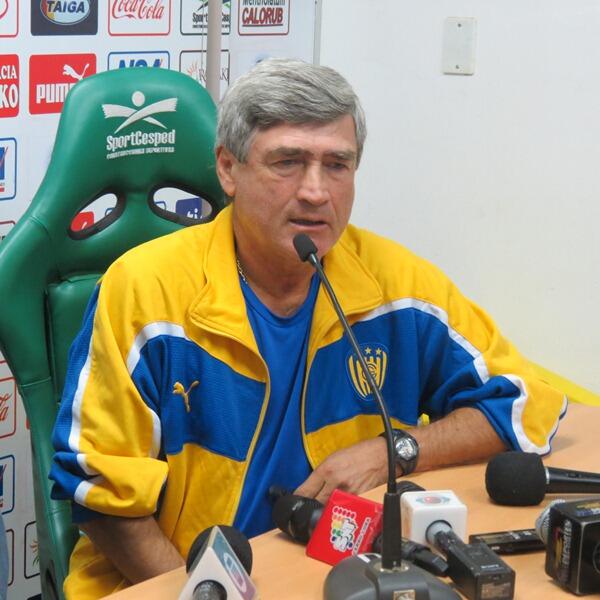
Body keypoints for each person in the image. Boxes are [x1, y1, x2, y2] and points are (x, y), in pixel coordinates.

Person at [50, 58, 566, 598]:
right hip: (173, 582)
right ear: (228, 169)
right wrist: (202, 591)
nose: (316, 192)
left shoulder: (398, 285)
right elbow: (98, 495)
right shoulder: (144, 290)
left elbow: (523, 404)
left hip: (339, 577)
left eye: (337, 165)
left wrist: (394, 450)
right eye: (288, 162)